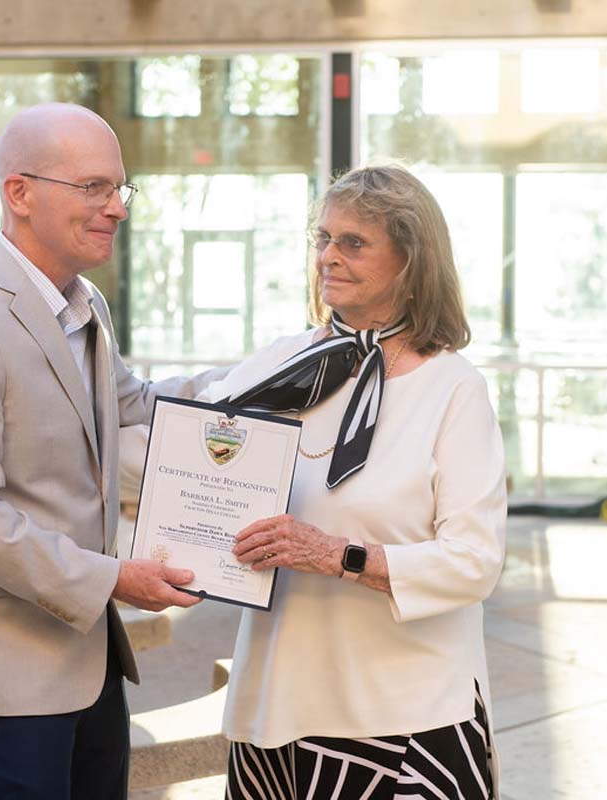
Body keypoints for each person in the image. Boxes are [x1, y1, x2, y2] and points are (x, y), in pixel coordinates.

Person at [0, 103, 220, 800]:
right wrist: (114, 579)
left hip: (88, 657)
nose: (117, 208)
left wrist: (267, 383)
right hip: (8, 673)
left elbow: (136, 404)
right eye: (94, 188)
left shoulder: (86, 305)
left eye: (119, 189)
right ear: (19, 193)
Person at [204, 164, 508, 799]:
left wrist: (337, 556)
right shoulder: (279, 364)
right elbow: (181, 449)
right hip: (276, 705)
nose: (328, 258)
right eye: (323, 239)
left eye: (353, 243)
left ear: (411, 260)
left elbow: (475, 562)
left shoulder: (453, 389)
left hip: (402, 718)